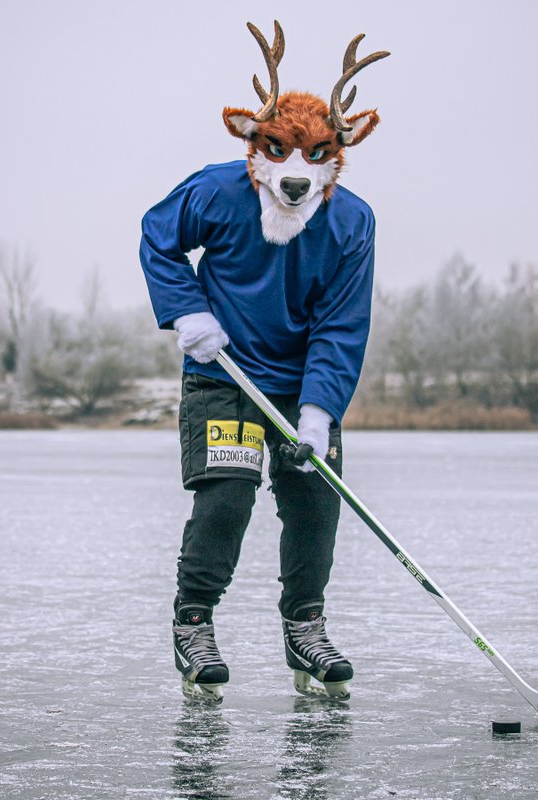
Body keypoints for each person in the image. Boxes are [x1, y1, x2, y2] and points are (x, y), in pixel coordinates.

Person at [139, 20, 388, 701]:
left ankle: (304, 625)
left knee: (316, 504)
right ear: (257, 147)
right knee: (227, 498)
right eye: (280, 156)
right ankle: (193, 624)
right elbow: (159, 238)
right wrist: (188, 311)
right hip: (222, 375)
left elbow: (342, 323)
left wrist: (318, 413)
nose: (295, 177)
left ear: (335, 157)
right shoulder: (217, 192)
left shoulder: (351, 224)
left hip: (301, 384)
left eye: (314, 160)